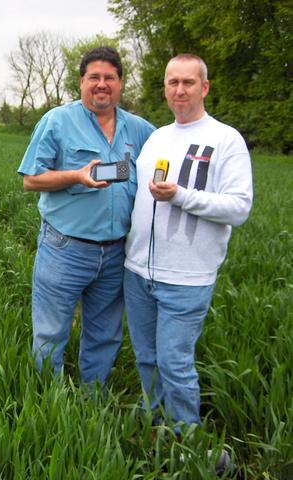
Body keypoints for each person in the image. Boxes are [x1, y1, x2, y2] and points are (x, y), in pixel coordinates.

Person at [124, 54, 253, 436]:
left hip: (187, 277)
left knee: (174, 362)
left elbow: (239, 207)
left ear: (205, 88)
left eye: (189, 82)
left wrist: (180, 195)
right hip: (137, 272)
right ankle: (157, 428)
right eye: (172, 82)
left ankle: (188, 442)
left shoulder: (225, 139)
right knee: (147, 359)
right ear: (164, 87)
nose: (180, 90)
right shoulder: (156, 138)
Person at [17, 46, 155, 384]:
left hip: (115, 252)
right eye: (94, 77)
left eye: (109, 77)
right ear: (82, 82)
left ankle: (93, 401)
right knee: (51, 333)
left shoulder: (140, 130)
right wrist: (76, 176)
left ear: (121, 83)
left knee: (105, 334)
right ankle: (48, 401)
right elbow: (31, 179)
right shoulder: (58, 121)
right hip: (64, 248)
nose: (102, 84)